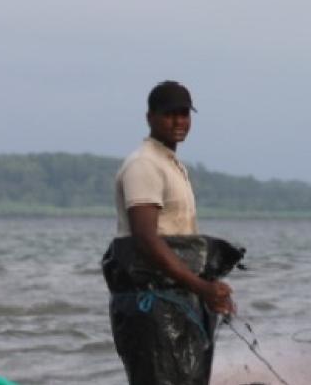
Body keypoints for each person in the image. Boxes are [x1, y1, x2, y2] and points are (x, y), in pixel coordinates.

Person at [101, 81, 239, 385]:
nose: (179, 122)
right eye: (169, 114)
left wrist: (208, 290)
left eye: (184, 114)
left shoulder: (171, 164)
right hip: (150, 306)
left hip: (178, 300)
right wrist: (201, 288)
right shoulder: (144, 165)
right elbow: (147, 240)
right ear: (150, 117)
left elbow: (180, 239)